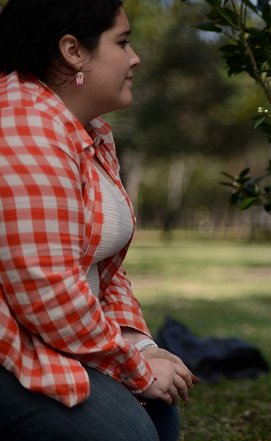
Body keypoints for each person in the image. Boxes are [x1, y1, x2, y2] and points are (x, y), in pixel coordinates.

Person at [0, 1, 197, 440]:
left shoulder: (88, 130)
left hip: (54, 335)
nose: (135, 58)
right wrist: (135, 367)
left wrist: (140, 343)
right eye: (123, 42)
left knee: (161, 415)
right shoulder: (24, 123)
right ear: (73, 50)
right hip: (12, 349)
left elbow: (103, 268)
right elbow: (45, 288)